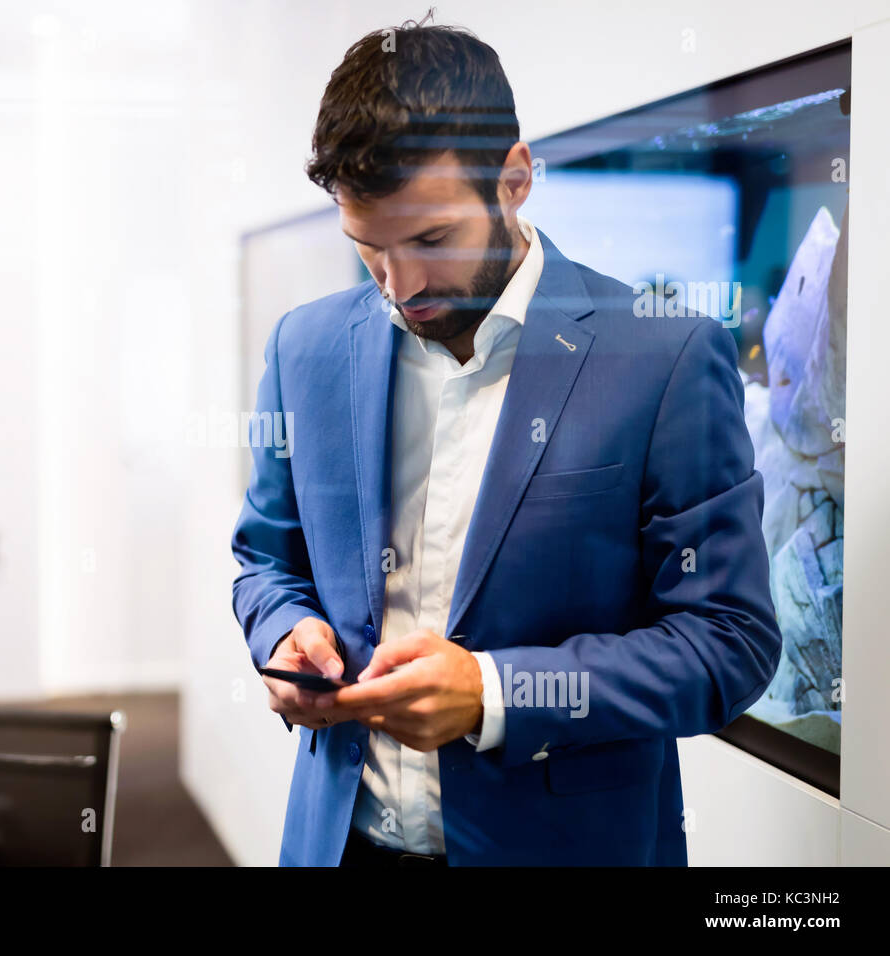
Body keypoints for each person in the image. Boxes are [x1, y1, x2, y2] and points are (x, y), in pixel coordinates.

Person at [230, 21, 782, 866]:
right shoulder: (303, 348)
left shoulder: (663, 356)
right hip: (341, 842)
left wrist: (496, 693)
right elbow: (266, 560)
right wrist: (284, 634)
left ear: (515, 179)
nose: (399, 286)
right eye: (368, 248)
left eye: (431, 240)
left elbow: (727, 641)